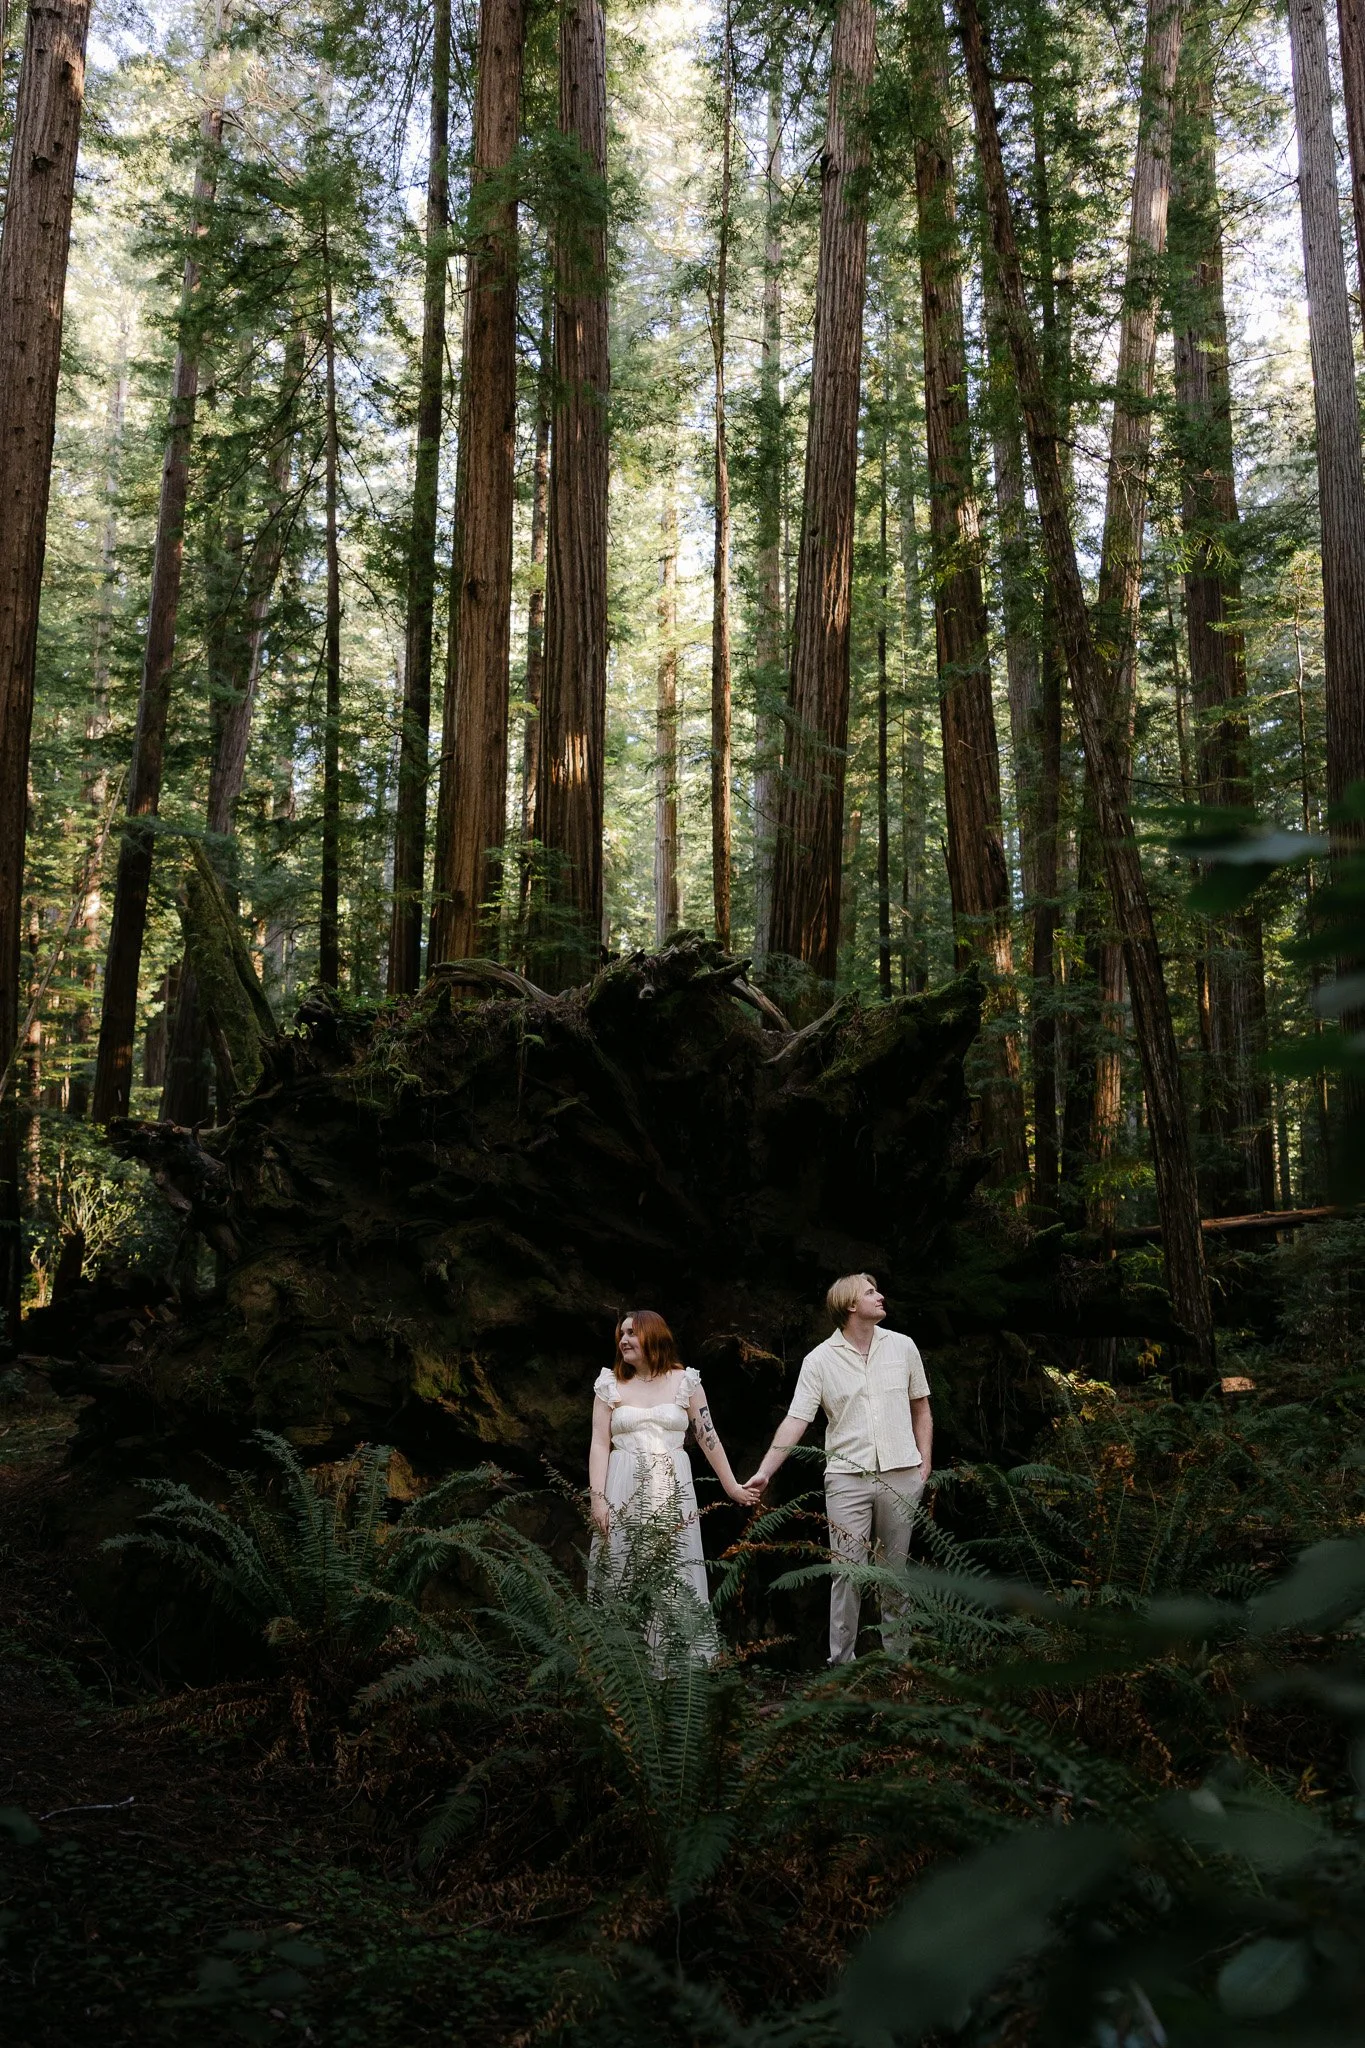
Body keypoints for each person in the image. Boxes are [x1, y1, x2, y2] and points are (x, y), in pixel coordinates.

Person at [747, 1274, 932, 1664]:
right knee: (846, 1575)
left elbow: (921, 1407)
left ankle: (899, 1665)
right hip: (847, 1480)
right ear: (850, 1306)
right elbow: (796, 1420)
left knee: (894, 1574)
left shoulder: (903, 1347)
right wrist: (766, 1470)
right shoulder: (819, 1361)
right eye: (870, 1292)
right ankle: (841, 1669)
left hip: (902, 1473)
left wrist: (924, 1460)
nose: (880, 1296)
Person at [589, 1310, 761, 1651]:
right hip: (621, 1485)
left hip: (670, 1486)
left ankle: (674, 1662)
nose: (623, 1340)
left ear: (654, 1336)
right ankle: (623, 1661)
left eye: (632, 1333)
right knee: (622, 1567)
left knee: (673, 1568)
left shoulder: (685, 1383)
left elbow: (708, 1437)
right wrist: (597, 1498)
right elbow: (598, 1442)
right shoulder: (610, 1384)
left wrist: (732, 1487)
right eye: (621, 1334)